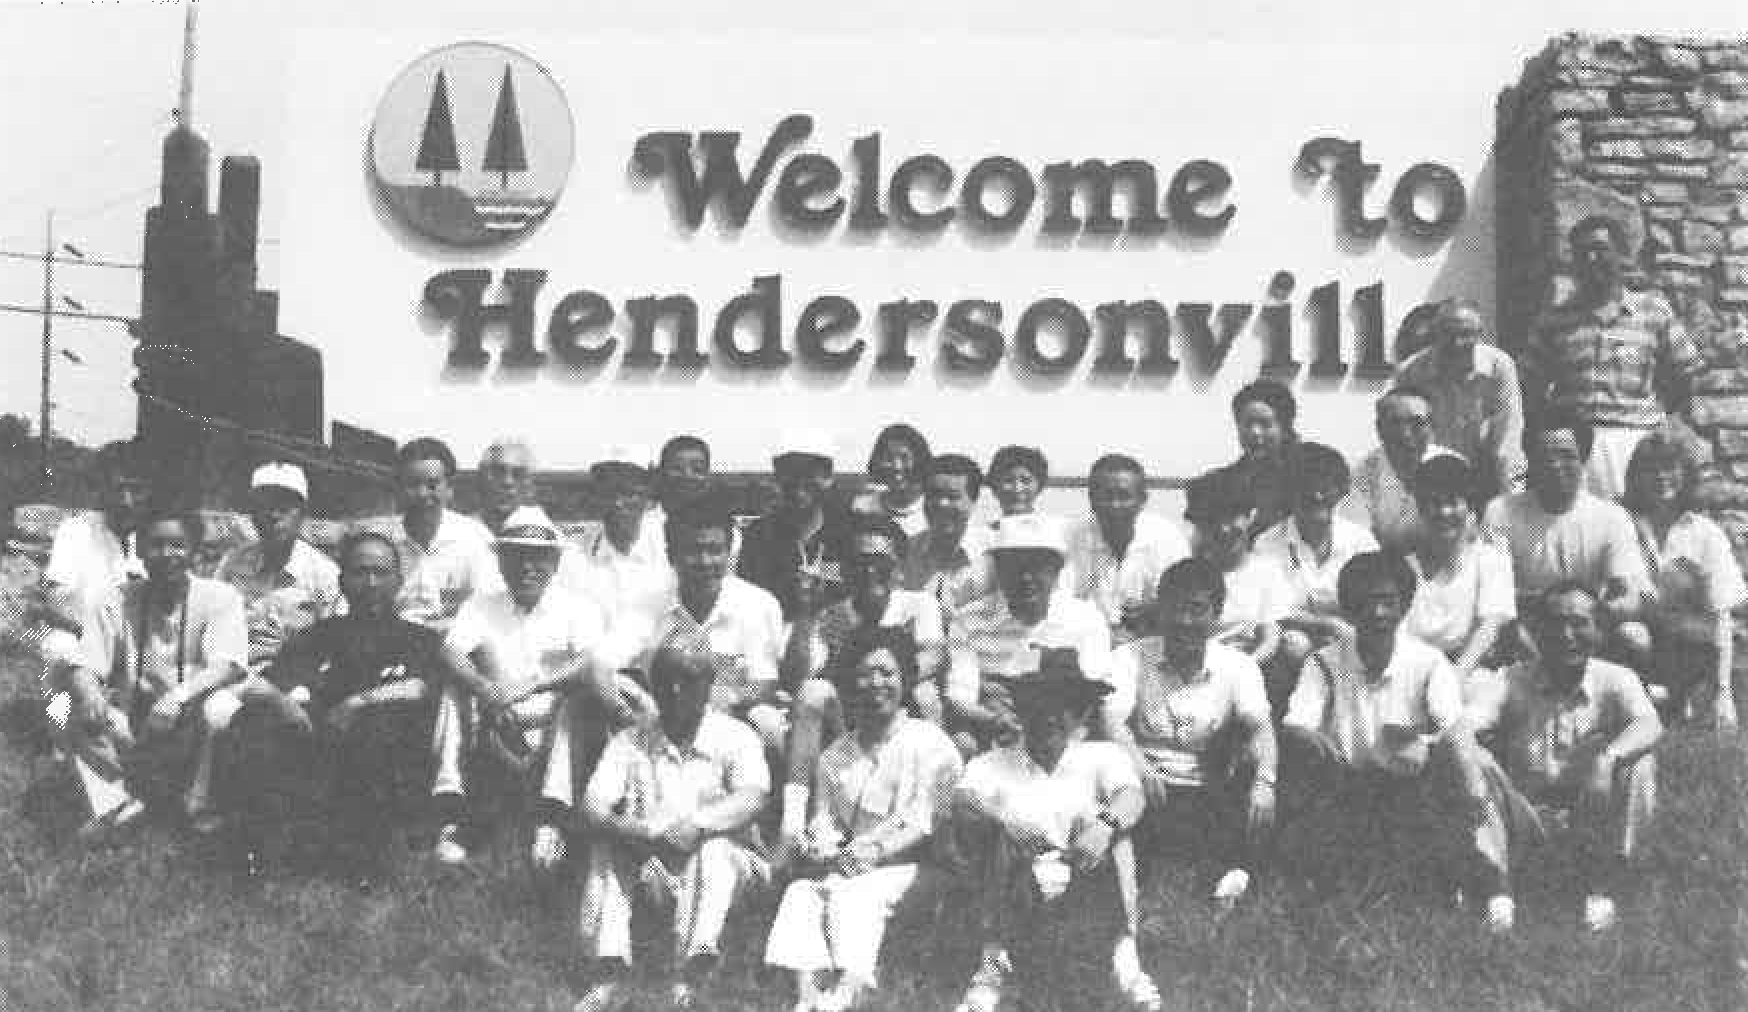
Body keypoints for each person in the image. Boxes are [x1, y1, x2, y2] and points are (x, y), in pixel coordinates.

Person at [940, 649, 1157, 1012]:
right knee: (995, 829)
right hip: (1014, 884)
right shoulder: (992, 763)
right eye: (1038, 705)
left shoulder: (1101, 756)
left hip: (1085, 878)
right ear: (1021, 711)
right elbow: (961, 803)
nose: (1050, 716)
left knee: (1117, 833)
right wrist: (1004, 820)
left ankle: (1125, 961)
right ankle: (992, 966)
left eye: (1065, 705)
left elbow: (1132, 797)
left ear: (1082, 713)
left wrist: (1103, 827)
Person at [765, 629, 963, 1012]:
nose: (876, 684)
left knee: (856, 893)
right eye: (865, 674)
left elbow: (926, 821)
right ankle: (808, 997)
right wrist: (818, 844)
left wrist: (873, 852)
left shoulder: (930, 743)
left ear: (904, 680)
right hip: (853, 864)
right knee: (801, 893)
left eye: (887, 673)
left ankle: (848, 992)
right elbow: (826, 820)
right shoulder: (836, 756)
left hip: (919, 866)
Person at [227, 530, 443, 876]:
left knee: (377, 727)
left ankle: (361, 850)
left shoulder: (418, 638)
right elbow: (273, 685)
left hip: (390, 756)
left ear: (399, 581)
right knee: (253, 721)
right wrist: (286, 705)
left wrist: (359, 701)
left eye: (381, 572)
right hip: (321, 744)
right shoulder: (319, 635)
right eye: (360, 572)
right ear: (342, 581)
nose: (370, 582)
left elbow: (420, 687)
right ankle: (257, 845)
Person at [575, 635, 773, 1012]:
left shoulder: (737, 737)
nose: (676, 689)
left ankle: (690, 974)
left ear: (708, 685)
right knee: (607, 846)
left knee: (713, 850)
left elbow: (753, 797)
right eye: (665, 678)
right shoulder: (631, 740)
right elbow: (592, 805)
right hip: (653, 864)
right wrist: (634, 830)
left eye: (688, 679)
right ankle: (608, 971)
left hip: (729, 870)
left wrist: (699, 825)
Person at [1459, 582, 1663, 934]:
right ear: (1536, 632)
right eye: (1554, 624)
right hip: (1525, 816)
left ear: (1598, 631)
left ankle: (1603, 885)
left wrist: (1609, 758)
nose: (1567, 635)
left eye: (1579, 623)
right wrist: (1470, 749)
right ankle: (1499, 891)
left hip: (1591, 816)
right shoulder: (1511, 678)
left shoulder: (1616, 678)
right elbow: (1467, 726)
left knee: (1640, 761)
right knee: (1470, 759)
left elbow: (1650, 723)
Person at [427, 506, 624, 867]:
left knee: (575, 702)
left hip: (555, 722)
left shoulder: (577, 607)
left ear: (555, 562)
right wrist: (484, 688)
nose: (528, 567)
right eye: (516, 556)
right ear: (501, 562)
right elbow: (450, 651)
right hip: (494, 714)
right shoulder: (482, 604)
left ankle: (552, 817)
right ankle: (451, 811)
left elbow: (589, 665)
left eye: (538, 557)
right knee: (453, 689)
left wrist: (532, 689)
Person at [1277, 552, 1486, 891]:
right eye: (1365, 603)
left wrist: (1471, 787)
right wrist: (1317, 745)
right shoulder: (1323, 664)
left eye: (1388, 602)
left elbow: (1454, 728)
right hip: (1344, 787)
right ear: (1348, 609)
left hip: (1409, 790)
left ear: (1404, 607)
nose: (1377, 614)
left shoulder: (1429, 662)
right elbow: (1297, 725)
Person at [45, 509, 248, 836]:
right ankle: (116, 802)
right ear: (139, 550)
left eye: (178, 545)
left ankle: (197, 805)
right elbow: (86, 660)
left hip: (192, 725)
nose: (167, 555)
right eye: (156, 545)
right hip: (136, 723)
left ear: (195, 551)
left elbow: (228, 664)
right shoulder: (119, 599)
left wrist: (178, 697)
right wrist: (89, 693)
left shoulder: (220, 598)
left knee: (222, 708)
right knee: (66, 701)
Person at [1101, 559, 1277, 908]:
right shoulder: (1128, 658)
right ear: (1160, 610)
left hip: (1208, 786)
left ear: (1217, 614)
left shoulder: (1238, 666)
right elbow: (1113, 722)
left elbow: (1260, 728)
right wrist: (1138, 766)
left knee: (1256, 801)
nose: (1184, 622)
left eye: (1197, 610)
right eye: (1174, 609)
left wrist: (1265, 783)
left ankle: (1235, 870)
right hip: (1147, 785)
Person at [780, 521, 946, 852]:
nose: (871, 572)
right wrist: (804, 615)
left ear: (898, 569)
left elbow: (931, 659)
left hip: (899, 714)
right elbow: (801, 677)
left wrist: (878, 680)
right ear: (844, 571)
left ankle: (927, 820)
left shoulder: (918, 605)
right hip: (851, 716)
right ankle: (792, 824)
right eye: (860, 564)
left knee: (927, 696)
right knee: (812, 694)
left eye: (882, 564)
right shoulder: (830, 615)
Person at [1530, 215, 1703, 499]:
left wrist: (1663, 422)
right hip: (1578, 447)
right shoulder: (1555, 319)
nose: (1591, 258)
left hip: (1636, 442)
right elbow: (1530, 383)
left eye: (1600, 249)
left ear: (1622, 256)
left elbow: (1685, 375)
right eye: (1582, 252)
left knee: (1635, 526)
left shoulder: (1654, 312)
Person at [1481, 408, 1650, 652]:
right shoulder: (1501, 511)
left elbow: (1630, 596)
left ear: (1584, 459)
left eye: (1567, 456)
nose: (1555, 465)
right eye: (1544, 457)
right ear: (1530, 460)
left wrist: (1588, 612)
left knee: (1635, 636)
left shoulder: (1611, 517)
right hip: (1527, 623)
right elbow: (1494, 592)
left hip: (1587, 623)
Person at [944, 514, 1113, 753]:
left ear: (1056, 569)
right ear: (998, 569)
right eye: (1015, 566)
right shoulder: (968, 620)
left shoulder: (1085, 619)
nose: (1026, 578)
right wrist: (994, 720)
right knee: (961, 743)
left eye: (1037, 566)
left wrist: (1049, 731)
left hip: (1066, 734)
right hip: (996, 730)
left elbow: (1094, 693)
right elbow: (960, 695)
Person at [1617, 429, 1746, 726]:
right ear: (1637, 476)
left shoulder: (1705, 532)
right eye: (1652, 469)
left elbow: (1721, 613)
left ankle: (1680, 693)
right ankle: (1640, 698)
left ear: (1686, 475)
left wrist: (1723, 693)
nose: (1662, 477)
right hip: (1640, 632)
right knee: (1630, 634)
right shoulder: (1621, 524)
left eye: (1671, 468)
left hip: (1688, 640)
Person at [1253, 443, 1377, 708]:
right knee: (1294, 644)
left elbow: (1373, 598)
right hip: (1296, 644)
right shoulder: (1267, 543)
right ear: (1290, 493)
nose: (1318, 495)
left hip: (1352, 637)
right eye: (1306, 487)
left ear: (1341, 491)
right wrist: (1328, 625)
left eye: (1327, 486)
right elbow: (1277, 610)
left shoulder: (1360, 540)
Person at [1402, 455, 1515, 698]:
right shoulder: (1403, 568)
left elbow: (1489, 628)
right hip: (1413, 677)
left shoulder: (1491, 560)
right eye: (1433, 503)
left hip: (1469, 673)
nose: (1444, 512)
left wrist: (1452, 679)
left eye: (1453, 502)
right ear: (1421, 508)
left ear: (1470, 506)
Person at [1395, 298, 1526, 501]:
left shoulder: (1499, 366)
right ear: (1436, 333)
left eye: (1465, 334)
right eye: (1448, 333)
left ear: (1480, 335)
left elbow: (1508, 437)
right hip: (1432, 474)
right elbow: (1405, 437)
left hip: (1486, 472)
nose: (1456, 343)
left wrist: (1510, 501)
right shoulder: (1411, 372)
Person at [215, 462, 342, 673]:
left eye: (284, 507)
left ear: (302, 513)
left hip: (297, 685)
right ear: (252, 514)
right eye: (264, 506)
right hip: (234, 676)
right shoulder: (232, 565)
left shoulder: (325, 575)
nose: (274, 516)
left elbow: (335, 645)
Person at [37, 439, 149, 673]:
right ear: (103, 491)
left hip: (134, 655)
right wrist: (91, 637)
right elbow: (55, 601)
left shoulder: (152, 541)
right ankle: (69, 706)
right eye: (118, 489)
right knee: (60, 644)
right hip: (85, 647)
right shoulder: (77, 531)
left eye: (136, 490)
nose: (126, 501)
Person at [1064, 454, 1188, 644]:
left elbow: (1185, 602)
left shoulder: (1167, 538)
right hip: (1084, 643)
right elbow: (1059, 603)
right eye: (1106, 497)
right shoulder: (1070, 537)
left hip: (1151, 644)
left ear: (1143, 499)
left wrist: (1155, 608)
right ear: (1091, 499)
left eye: (1124, 496)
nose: (1115, 506)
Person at [738, 429, 852, 623]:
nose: (799, 482)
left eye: (810, 472)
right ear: (778, 477)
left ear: (828, 478)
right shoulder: (758, 536)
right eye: (790, 472)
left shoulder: (849, 532)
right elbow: (748, 602)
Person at [389, 437, 500, 632]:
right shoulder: (382, 543)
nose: (423, 494)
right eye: (413, 484)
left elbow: (490, 605)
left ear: (450, 489)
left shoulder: (474, 538)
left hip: (457, 644)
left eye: (432, 485)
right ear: (398, 489)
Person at [1181, 469, 1287, 667]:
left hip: (1248, 668)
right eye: (1212, 521)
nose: (1224, 529)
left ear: (1250, 516)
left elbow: (1270, 640)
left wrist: (1241, 671)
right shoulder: (1187, 574)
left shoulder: (1268, 571)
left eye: (1231, 517)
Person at [1343, 386, 1458, 552]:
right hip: (1381, 568)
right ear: (1379, 429)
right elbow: (1355, 539)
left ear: (1432, 427)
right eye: (1395, 423)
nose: (1405, 434)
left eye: (1417, 424)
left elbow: (1465, 538)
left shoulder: (1453, 467)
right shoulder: (1361, 475)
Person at [900, 453, 994, 627]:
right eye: (933, 495)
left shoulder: (996, 553)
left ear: (973, 501)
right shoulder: (906, 552)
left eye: (952, 497)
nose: (941, 504)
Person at [1210, 379, 1300, 538]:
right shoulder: (1221, 484)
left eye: (1265, 424)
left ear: (1285, 428)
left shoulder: (1305, 479)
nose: (1255, 432)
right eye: (1247, 424)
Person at [866, 423, 932, 540]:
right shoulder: (862, 508)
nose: (896, 466)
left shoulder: (935, 512)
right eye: (888, 458)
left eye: (904, 458)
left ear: (920, 461)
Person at [984, 445, 1067, 535]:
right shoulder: (983, 536)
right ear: (994, 487)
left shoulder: (1055, 533)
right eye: (1008, 481)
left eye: (1026, 481)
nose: (1017, 489)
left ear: (1040, 486)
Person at [476, 437, 539, 536]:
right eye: (498, 472)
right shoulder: (463, 533)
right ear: (481, 479)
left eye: (517, 474)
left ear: (529, 488)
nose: (507, 482)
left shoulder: (544, 535)